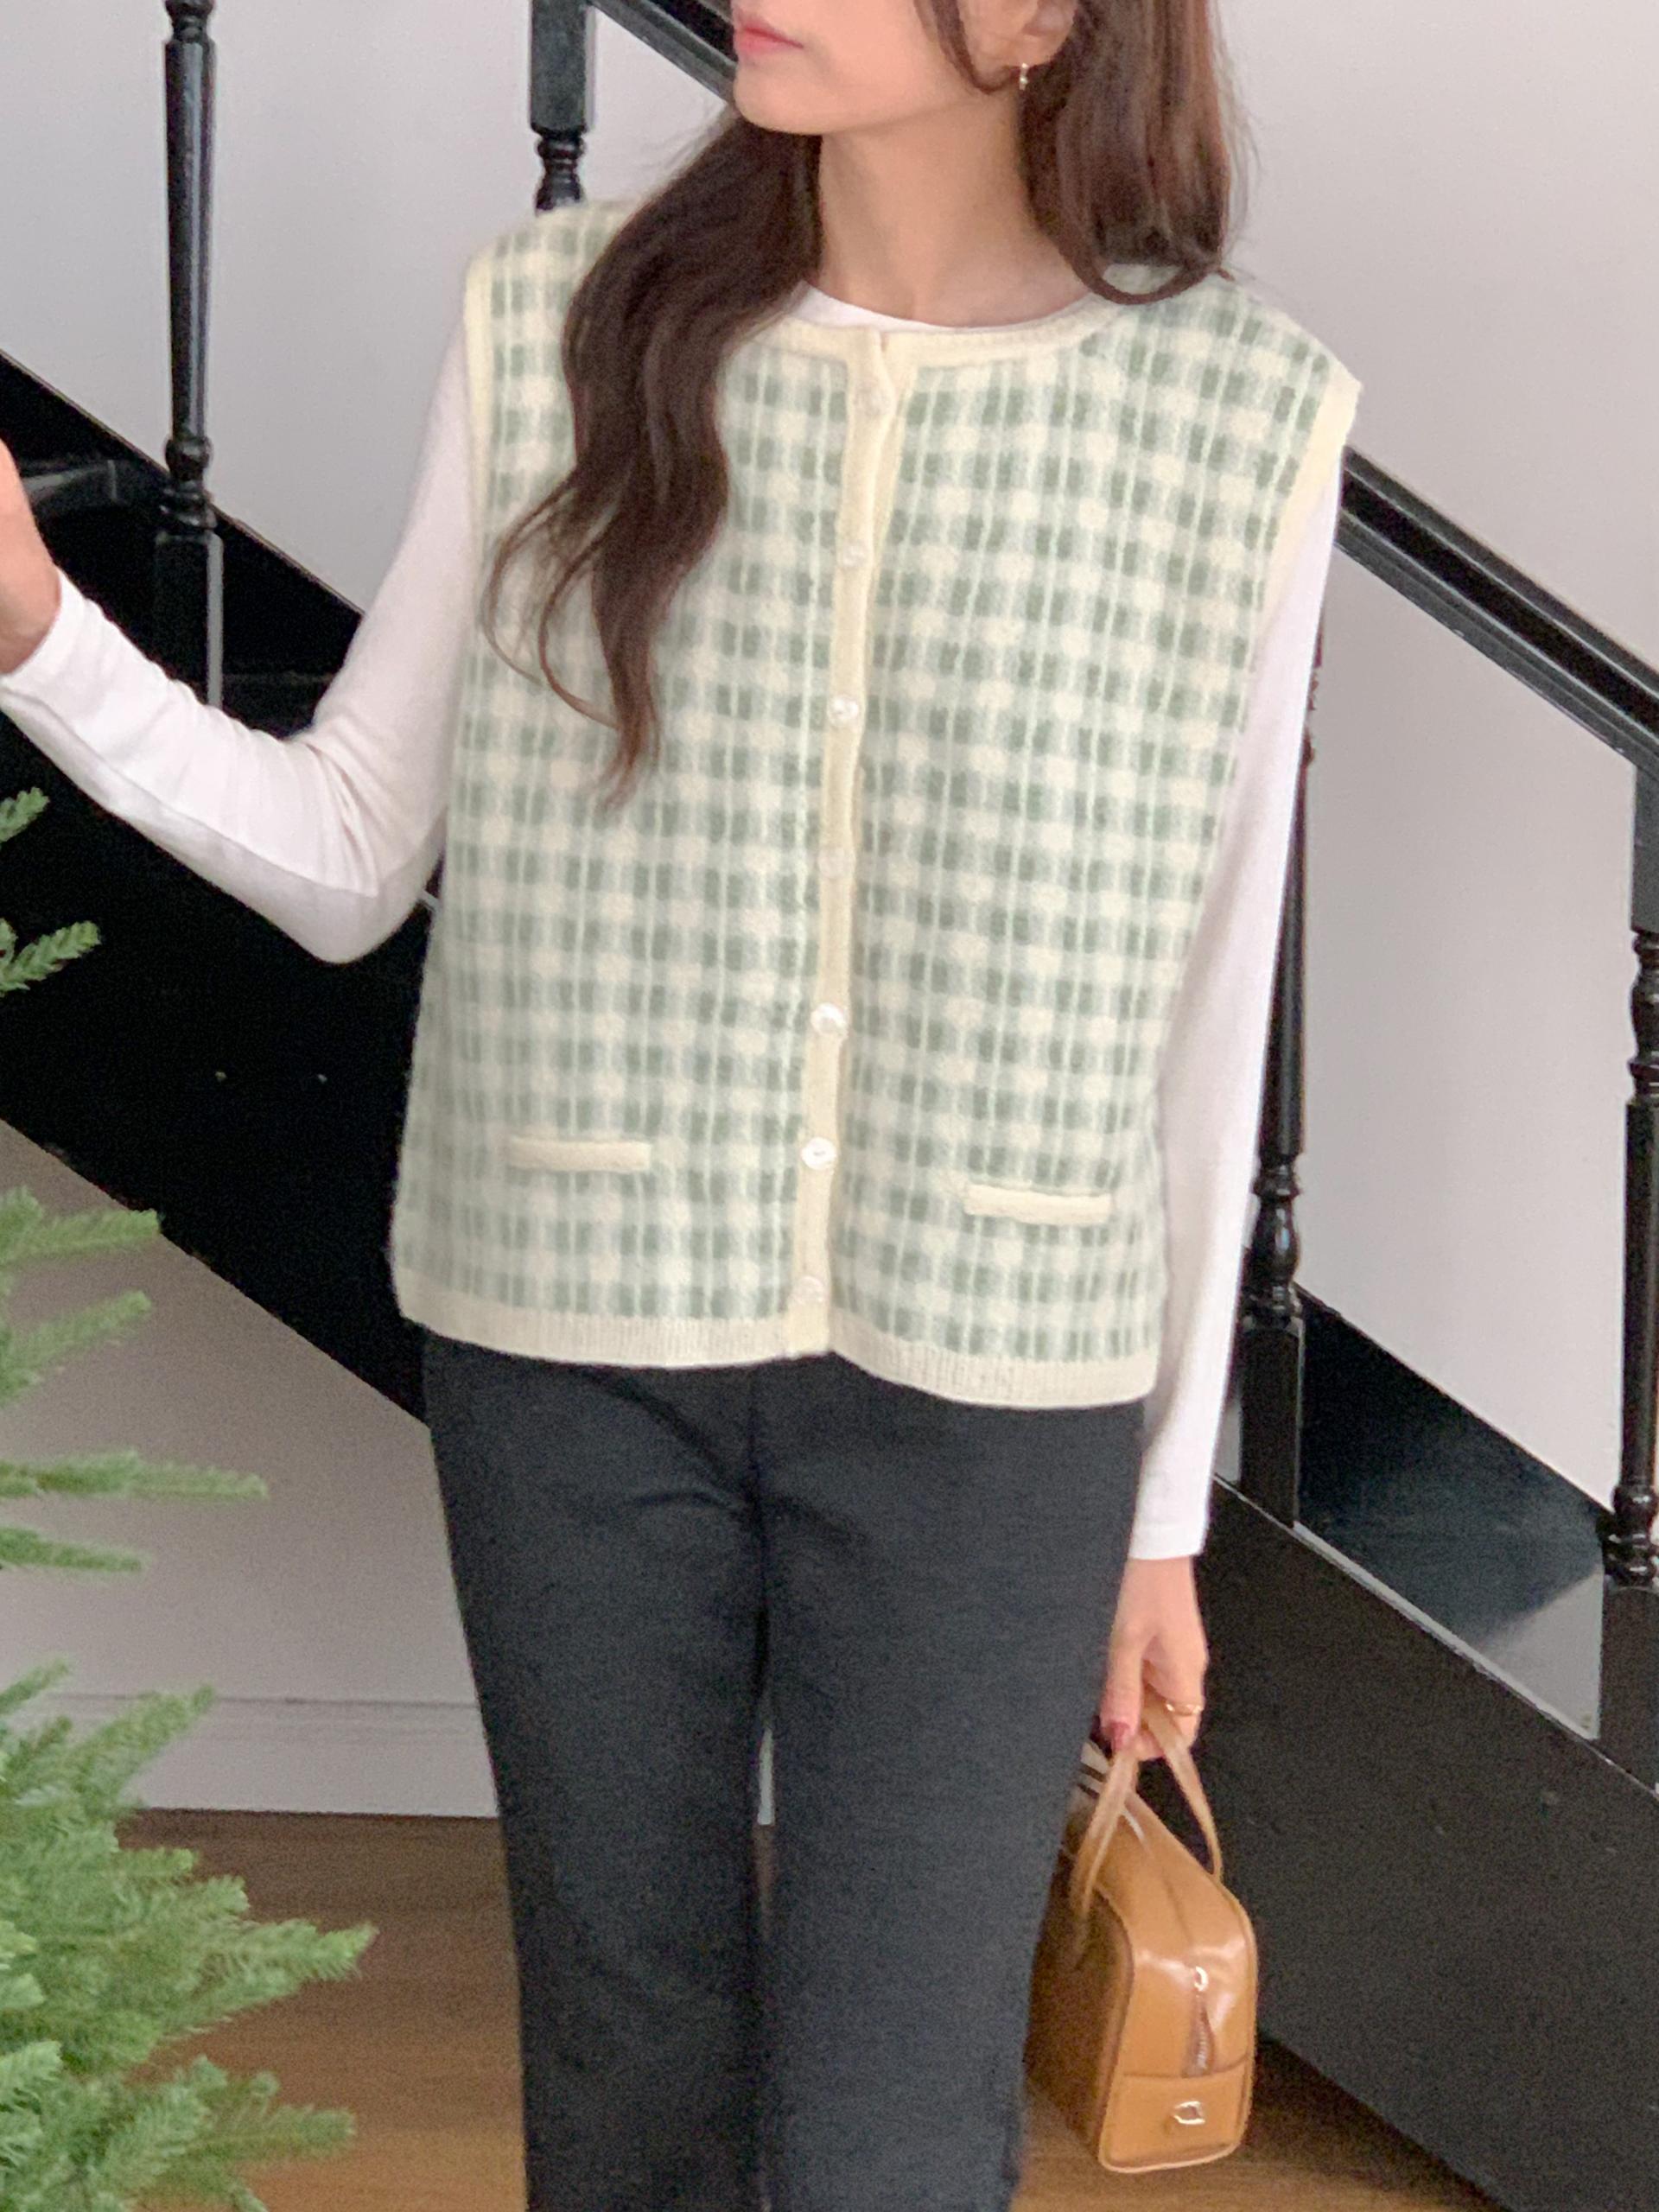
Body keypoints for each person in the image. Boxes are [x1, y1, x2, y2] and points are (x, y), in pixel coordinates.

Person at [0, 1, 1359, 2203]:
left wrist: (1159, 1516)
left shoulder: (1243, 419)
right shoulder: (559, 322)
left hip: (995, 1393)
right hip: (577, 1357)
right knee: (627, 2080)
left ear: (1042, 17)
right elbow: (349, 855)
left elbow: (1205, 1006)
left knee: (891, 2130)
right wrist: (40, 633)